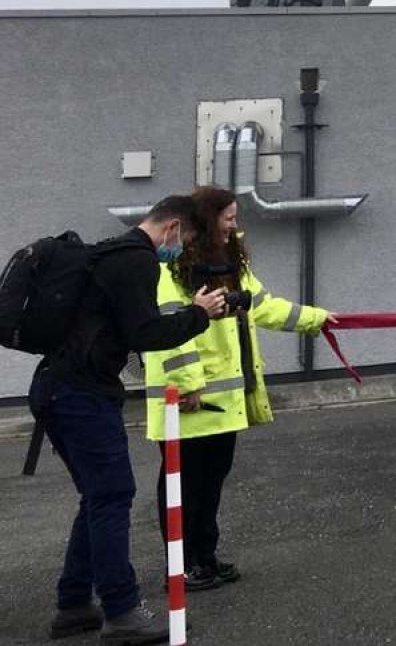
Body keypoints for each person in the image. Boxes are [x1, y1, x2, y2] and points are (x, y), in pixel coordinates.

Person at [29, 196, 226, 642]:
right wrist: (200, 314)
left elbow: (125, 327)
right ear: (174, 227)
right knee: (113, 496)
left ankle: (74, 604)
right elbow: (146, 335)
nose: (183, 248)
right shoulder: (138, 262)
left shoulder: (110, 252)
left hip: (55, 387)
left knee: (98, 496)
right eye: (187, 239)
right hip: (81, 394)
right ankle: (121, 613)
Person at [144, 186, 338, 590]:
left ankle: (205, 557)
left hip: (222, 400)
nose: (235, 225)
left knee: (211, 482)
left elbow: (262, 305)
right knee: (184, 488)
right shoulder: (169, 267)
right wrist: (187, 384)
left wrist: (317, 319)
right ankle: (180, 568)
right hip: (189, 402)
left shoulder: (229, 262)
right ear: (206, 219)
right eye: (228, 217)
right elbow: (169, 330)